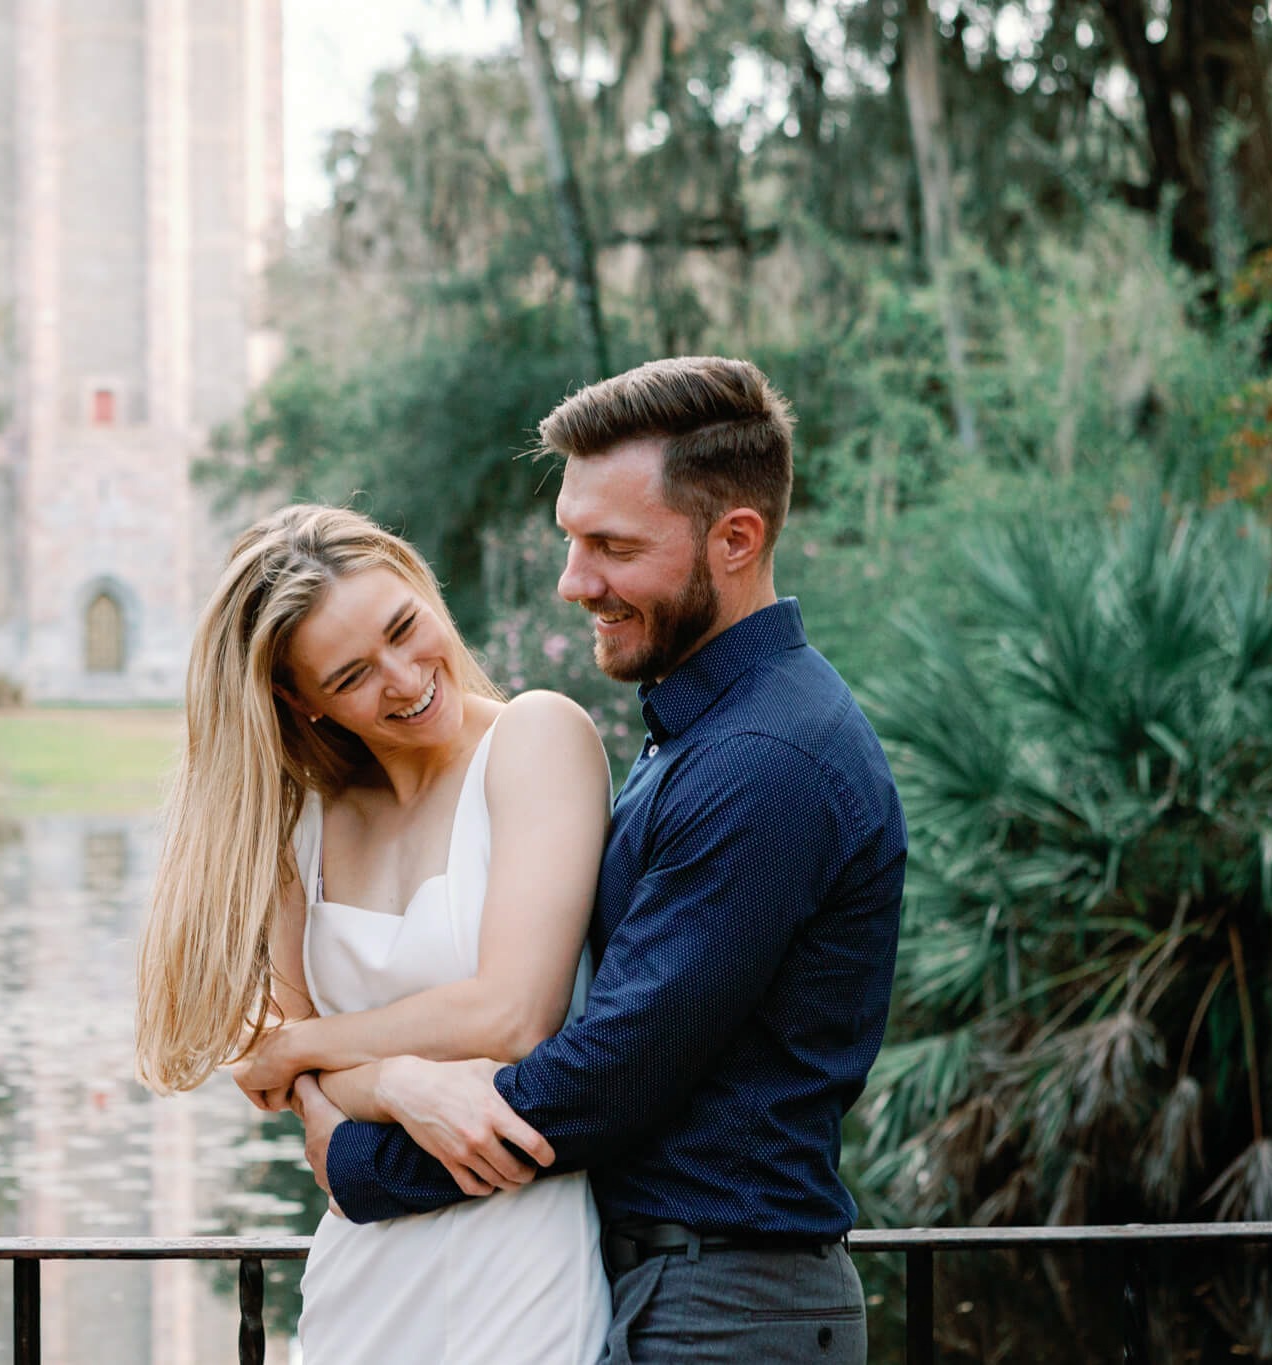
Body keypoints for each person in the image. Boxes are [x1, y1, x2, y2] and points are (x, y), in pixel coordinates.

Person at [289, 356, 909, 1365]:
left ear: (735, 540)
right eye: (572, 541)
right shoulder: (702, 735)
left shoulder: (764, 761)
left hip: (725, 1308)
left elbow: (607, 1076)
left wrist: (362, 1163)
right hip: (663, 1286)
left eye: (611, 548)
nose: (575, 583)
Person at [135, 504, 615, 1362]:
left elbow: (512, 1016)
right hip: (363, 1265)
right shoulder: (304, 827)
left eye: (404, 627)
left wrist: (313, 1054)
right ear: (300, 699)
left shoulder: (537, 738)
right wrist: (394, 1083)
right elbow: (268, 1062)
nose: (404, 677)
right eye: (353, 675)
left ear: (421, 585)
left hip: (518, 1248)